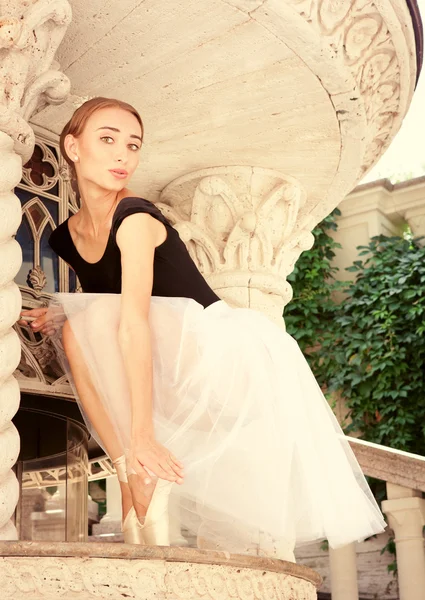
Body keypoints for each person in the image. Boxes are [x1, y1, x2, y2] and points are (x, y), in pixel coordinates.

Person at [19, 97, 386, 557]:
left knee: (80, 328)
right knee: (76, 328)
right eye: (107, 140)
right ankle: (129, 470)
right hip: (173, 353)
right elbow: (109, 299)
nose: (122, 155)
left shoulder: (135, 217)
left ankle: (139, 459)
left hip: (224, 356)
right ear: (72, 147)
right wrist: (64, 311)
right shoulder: (63, 236)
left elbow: (132, 321)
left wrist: (145, 435)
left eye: (132, 145)